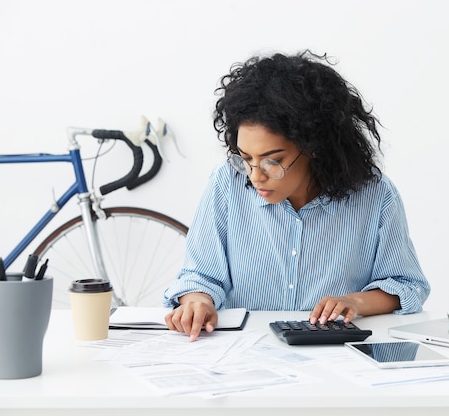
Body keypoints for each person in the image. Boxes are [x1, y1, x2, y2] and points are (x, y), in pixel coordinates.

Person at [163, 50, 430, 341]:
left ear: (313, 146)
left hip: (335, 358)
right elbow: (200, 276)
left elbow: (406, 284)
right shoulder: (227, 182)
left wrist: (356, 302)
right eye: (246, 158)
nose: (255, 175)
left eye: (272, 160)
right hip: (244, 355)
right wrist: (198, 302)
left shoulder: (375, 195)